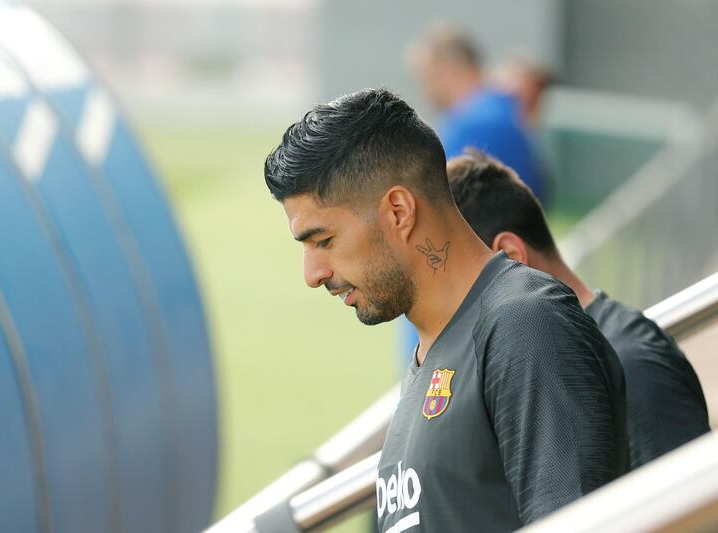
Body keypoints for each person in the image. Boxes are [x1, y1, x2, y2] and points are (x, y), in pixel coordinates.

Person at [264, 88, 628, 531]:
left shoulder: (525, 324)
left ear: (398, 210)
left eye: (324, 241)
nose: (313, 273)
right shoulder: (432, 356)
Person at [447, 149, 711, 470]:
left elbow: (688, 512)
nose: (451, 314)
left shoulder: (632, 367)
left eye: (455, 283)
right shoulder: (538, 368)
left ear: (511, 257)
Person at [409, 23, 546, 204]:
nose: (425, 91)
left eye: (426, 78)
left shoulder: (474, 124)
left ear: (447, 71)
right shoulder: (500, 110)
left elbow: (446, 203)